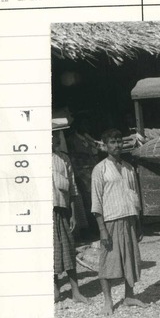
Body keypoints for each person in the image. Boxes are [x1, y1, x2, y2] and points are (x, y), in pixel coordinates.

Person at [91, 128, 148, 315]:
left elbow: (135, 197)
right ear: (105, 146)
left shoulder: (129, 168)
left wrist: (138, 222)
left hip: (129, 219)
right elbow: (96, 201)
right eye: (112, 142)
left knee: (130, 259)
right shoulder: (100, 169)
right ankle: (108, 301)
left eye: (118, 141)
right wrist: (102, 229)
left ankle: (129, 296)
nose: (117, 145)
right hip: (111, 221)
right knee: (108, 262)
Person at [52, 128, 89, 304]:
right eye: (50, 135)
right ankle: (55, 289)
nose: (53, 138)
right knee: (50, 251)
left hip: (63, 210)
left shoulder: (64, 158)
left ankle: (76, 292)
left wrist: (74, 215)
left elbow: (73, 188)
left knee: (68, 249)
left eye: (56, 135)